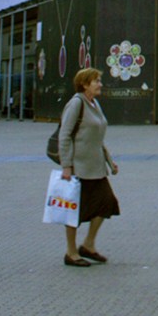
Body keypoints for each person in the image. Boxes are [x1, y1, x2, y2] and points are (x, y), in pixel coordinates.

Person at [59, 68, 120, 267]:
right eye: (96, 81)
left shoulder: (95, 104)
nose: (100, 84)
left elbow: (97, 139)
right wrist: (66, 166)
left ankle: (88, 245)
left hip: (96, 167)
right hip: (79, 168)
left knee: (107, 203)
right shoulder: (76, 103)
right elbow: (65, 135)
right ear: (85, 84)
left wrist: (110, 162)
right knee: (74, 210)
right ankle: (71, 252)